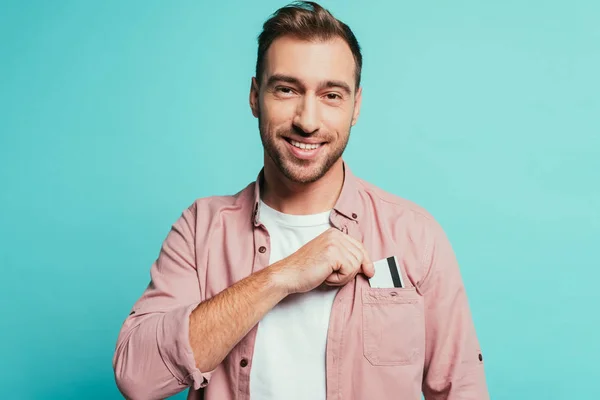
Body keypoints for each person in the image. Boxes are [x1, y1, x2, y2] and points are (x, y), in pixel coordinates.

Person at [112, 2, 489, 399]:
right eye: (287, 89)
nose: (307, 120)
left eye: (331, 95)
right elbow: (138, 377)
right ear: (256, 96)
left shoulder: (415, 236)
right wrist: (282, 276)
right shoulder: (201, 229)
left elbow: (461, 390)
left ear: (355, 106)